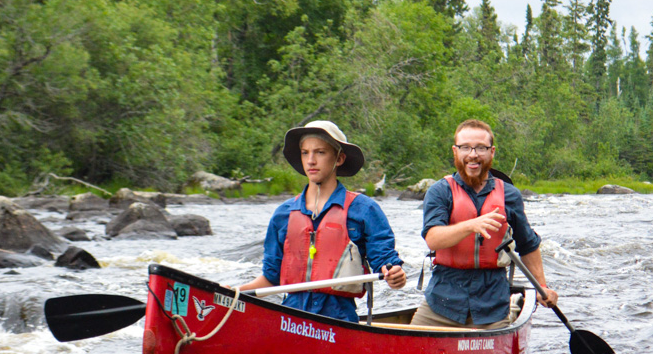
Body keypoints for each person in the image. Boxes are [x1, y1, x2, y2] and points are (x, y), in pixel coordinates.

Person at [236, 121, 406, 322]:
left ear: (339, 159)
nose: (311, 161)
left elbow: (386, 263)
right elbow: (270, 278)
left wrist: (395, 275)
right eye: (305, 153)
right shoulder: (283, 215)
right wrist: (231, 292)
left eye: (320, 152)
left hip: (339, 320)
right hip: (291, 319)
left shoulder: (364, 210)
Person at [414, 119, 557, 329]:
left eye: (481, 148)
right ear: (455, 152)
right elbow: (433, 239)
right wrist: (470, 225)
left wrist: (542, 287)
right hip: (442, 301)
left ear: (492, 152)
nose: (473, 154)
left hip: (492, 303)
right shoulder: (439, 192)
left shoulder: (509, 195)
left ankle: (513, 305)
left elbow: (528, 244)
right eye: (465, 147)